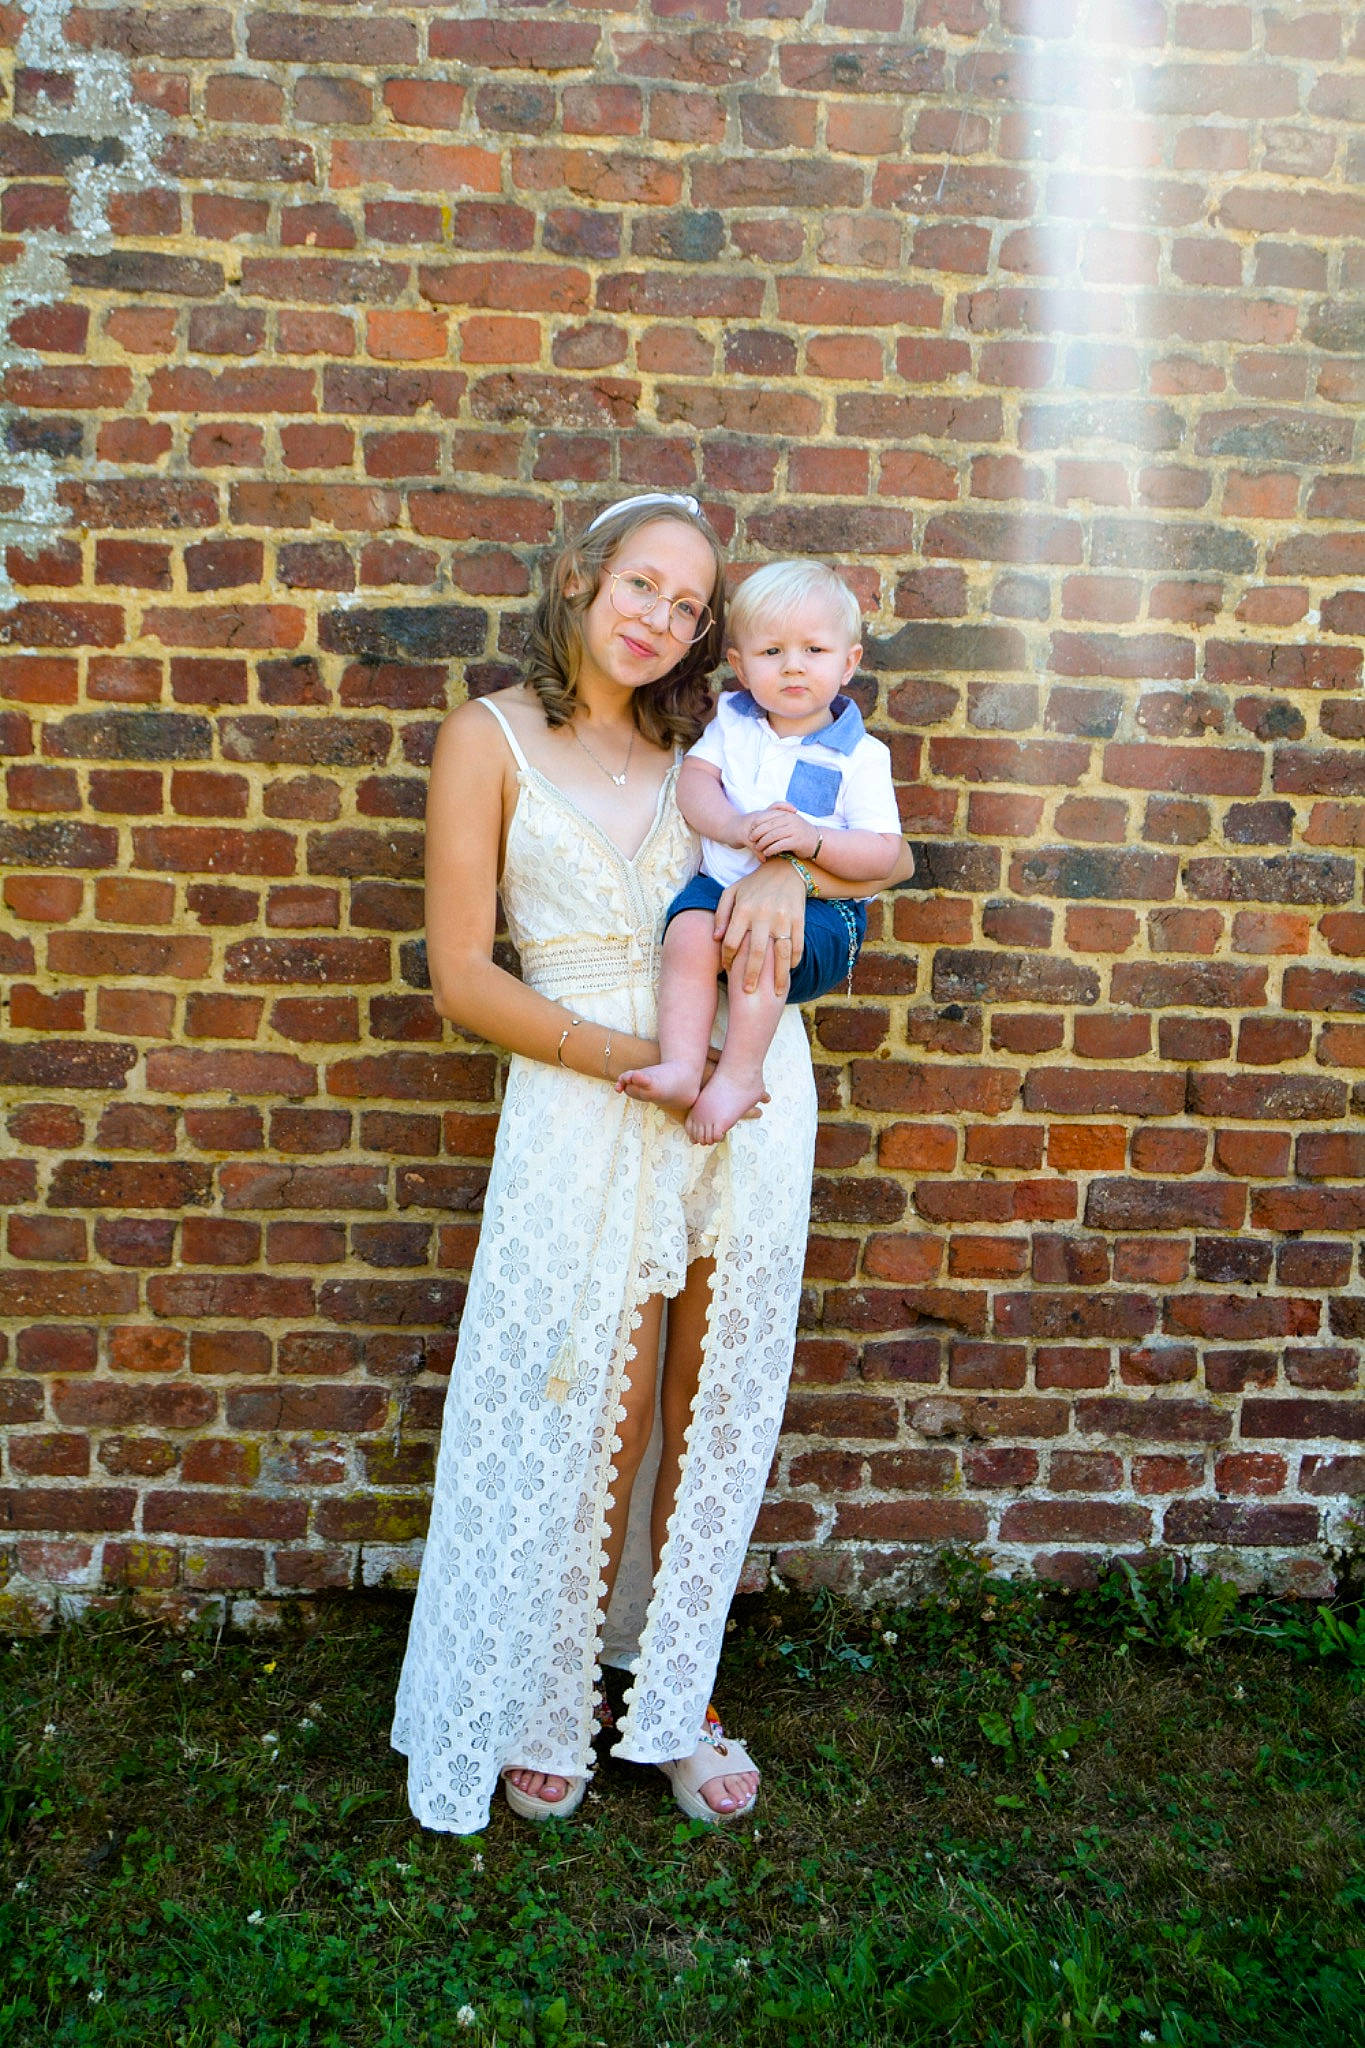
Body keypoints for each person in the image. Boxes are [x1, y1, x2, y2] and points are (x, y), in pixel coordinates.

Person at [390, 493, 911, 1834]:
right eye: (643, 587)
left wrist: (795, 881)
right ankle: (554, 1693)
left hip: (742, 1096)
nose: (661, 620)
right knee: (591, 1400)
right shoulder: (488, 735)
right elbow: (458, 976)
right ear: (578, 580)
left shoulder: (715, 736)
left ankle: (676, 1692)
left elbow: (825, 860)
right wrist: (613, 1049)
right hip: (589, 1093)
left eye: (688, 607)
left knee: (708, 1400)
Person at [619, 559, 904, 1144]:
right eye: (772, 652)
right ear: (741, 667)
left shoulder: (861, 756)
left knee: (761, 939)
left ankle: (741, 1074)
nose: (793, 665)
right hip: (721, 884)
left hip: (821, 917)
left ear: (848, 662)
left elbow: (884, 854)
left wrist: (814, 842)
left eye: (814, 651)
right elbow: (693, 783)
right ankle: (680, 1063)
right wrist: (733, 824)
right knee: (687, 932)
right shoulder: (734, 723)